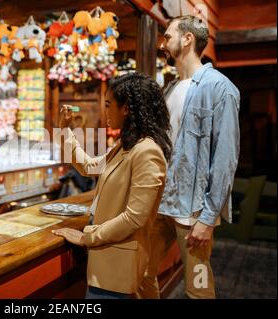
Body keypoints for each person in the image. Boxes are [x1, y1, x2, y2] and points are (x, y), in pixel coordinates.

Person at [139, 15, 240, 299]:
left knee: (197, 287)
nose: (163, 42)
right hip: (161, 202)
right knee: (139, 271)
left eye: (168, 35)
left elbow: (225, 158)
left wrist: (208, 219)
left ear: (187, 39)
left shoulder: (219, 88)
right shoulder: (170, 88)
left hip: (194, 210)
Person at [52, 72, 172, 299]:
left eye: (108, 105)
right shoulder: (125, 145)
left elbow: (134, 218)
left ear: (126, 108)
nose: (105, 111)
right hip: (106, 259)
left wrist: (87, 236)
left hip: (118, 266)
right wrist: (65, 130)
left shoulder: (147, 151)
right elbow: (88, 166)